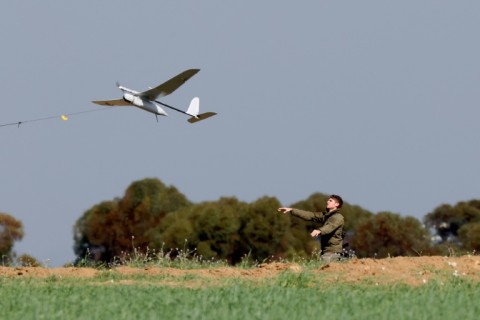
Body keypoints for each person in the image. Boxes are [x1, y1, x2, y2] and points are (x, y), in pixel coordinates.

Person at [278, 194, 345, 262]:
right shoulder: (325, 216)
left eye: (330, 200)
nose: (327, 201)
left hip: (332, 252)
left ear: (337, 204)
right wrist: (292, 210)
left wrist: (319, 230)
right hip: (326, 251)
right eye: (328, 200)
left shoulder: (338, 217)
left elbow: (330, 226)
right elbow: (310, 215)